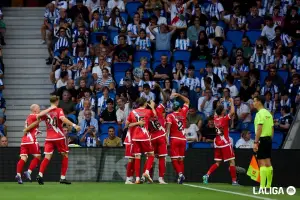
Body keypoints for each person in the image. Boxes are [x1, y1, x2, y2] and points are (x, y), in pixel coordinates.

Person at [24, 96, 81, 185]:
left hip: (49, 138)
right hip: (59, 136)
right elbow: (63, 119)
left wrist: (28, 128)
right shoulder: (59, 110)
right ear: (57, 101)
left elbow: (38, 118)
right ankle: (62, 178)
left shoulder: (46, 112)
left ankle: (40, 174)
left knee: (47, 157)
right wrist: (74, 125)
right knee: (65, 155)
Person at [202, 97, 239, 186]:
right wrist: (232, 102)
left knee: (218, 163)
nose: (225, 110)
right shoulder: (224, 119)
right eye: (224, 109)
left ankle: (207, 175)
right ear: (222, 112)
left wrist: (220, 102)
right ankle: (234, 181)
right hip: (225, 143)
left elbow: (216, 112)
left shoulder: (215, 119)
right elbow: (233, 112)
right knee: (232, 161)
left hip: (217, 143)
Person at [125, 97, 157, 184]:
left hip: (135, 137)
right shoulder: (148, 111)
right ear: (145, 103)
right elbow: (155, 116)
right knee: (151, 154)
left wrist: (136, 123)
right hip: (144, 136)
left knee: (137, 157)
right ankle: (146, 172)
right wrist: (153, 107)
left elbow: (127, 125)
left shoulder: (132, 112)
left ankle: (138, 179)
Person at [15, 104, 43, 184]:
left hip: (24, 140)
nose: (40, 109)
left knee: (23, 158)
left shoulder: (28, 117)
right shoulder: (34, 115)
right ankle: (29, 172)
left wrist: (37, 131)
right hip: (31, 140)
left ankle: (18, 175)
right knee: (38, 157)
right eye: (38, 108)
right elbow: (41, 116)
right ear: (34, 110)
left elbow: (30, 128)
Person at [166, 93, 190, 184]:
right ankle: (181, 178)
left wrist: (167, 140)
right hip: (183, 139)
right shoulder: (183, 112)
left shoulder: (170, 116)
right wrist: (179, 95)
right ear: (179, 107)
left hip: (174, 139)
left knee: (174, 159)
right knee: (181, 159)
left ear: (173, 108)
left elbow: (168, 129)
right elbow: (187, 101)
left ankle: (180, 174)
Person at [147, 84, 168, 184]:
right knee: (162, 157)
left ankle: (149, 178)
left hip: (151, 138)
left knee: (150, 158)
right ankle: (160, 178)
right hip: (160, 136)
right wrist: (160, 87)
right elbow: (166, 98)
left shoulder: (146, 114)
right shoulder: (159, 109)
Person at [253, 95, 274, 189]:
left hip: (261, 139)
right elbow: (272, 128)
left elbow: (259, 128)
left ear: (259, 102)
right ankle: (268, 185)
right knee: (268, 162)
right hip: (268, 139)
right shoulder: (268, 113)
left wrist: (256, 142)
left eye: (254, 101)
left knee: (261, 162)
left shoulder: (259, 114)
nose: (253, 103)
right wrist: (269, 139)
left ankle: (262, 186)